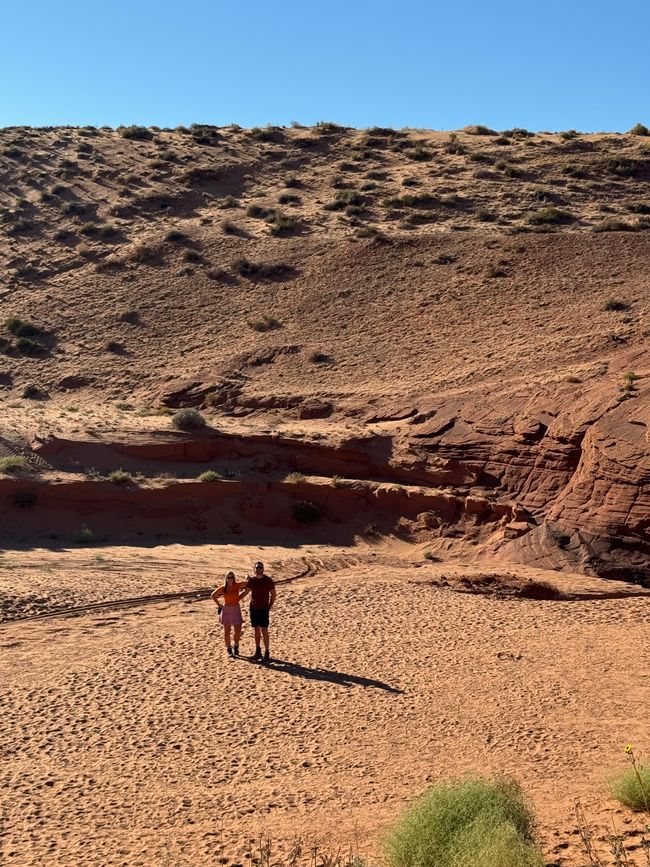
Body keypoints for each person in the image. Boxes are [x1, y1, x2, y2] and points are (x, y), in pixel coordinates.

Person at [240, 561, 276, 662]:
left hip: (264, 608)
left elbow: (273, 594)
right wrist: (235, 599)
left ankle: (267, 652)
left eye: (260, 568)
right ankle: (258, 651)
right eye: (257, 568)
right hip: (254, 608)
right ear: (254, 569)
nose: (259, 569)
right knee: (256, 629)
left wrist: (270, 606)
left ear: (263, 569)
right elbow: (246, 592)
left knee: (264, 630)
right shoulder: (252, 581)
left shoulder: (268, 580)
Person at [211, 570, 247, 658]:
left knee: (237, 630)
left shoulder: (237, 585)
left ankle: (236, 645)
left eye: (232, 577)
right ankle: (229, 649)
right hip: (227, 609)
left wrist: (247, 577)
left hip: (236, 609)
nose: (230, 579)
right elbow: (213, 595)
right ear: (226, 579)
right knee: (227, 631)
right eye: (228, 577)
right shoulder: (223, 588)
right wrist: (220, 605)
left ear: (234, 578)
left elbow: (248, 584)